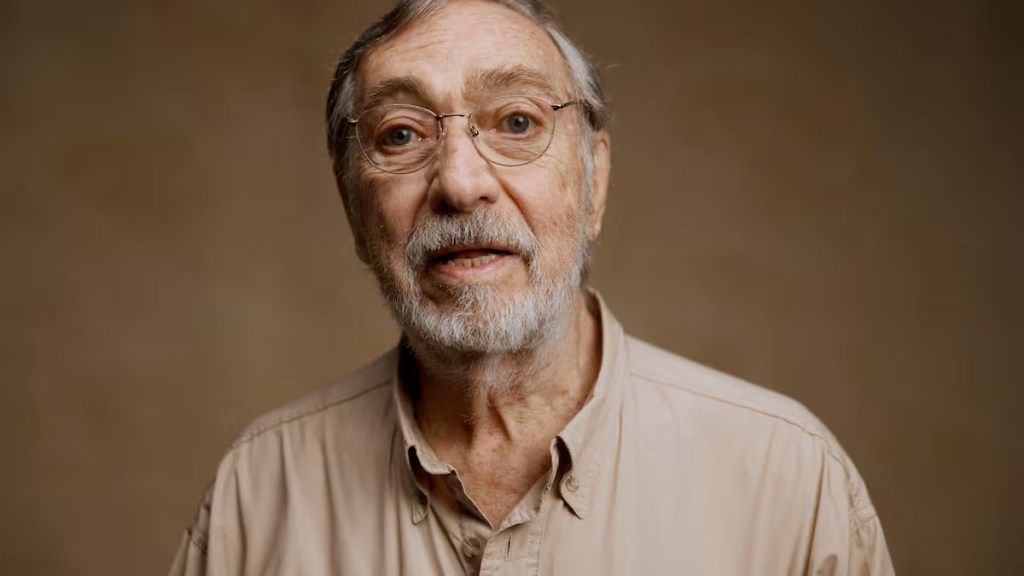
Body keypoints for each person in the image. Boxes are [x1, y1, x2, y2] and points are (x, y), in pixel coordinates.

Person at [170, 0, 895, 574]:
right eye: (401, 134)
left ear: (595, 182)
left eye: (516, 122)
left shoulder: (788, 479)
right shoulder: (256, 494)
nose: (460, 183)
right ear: (353, 206)